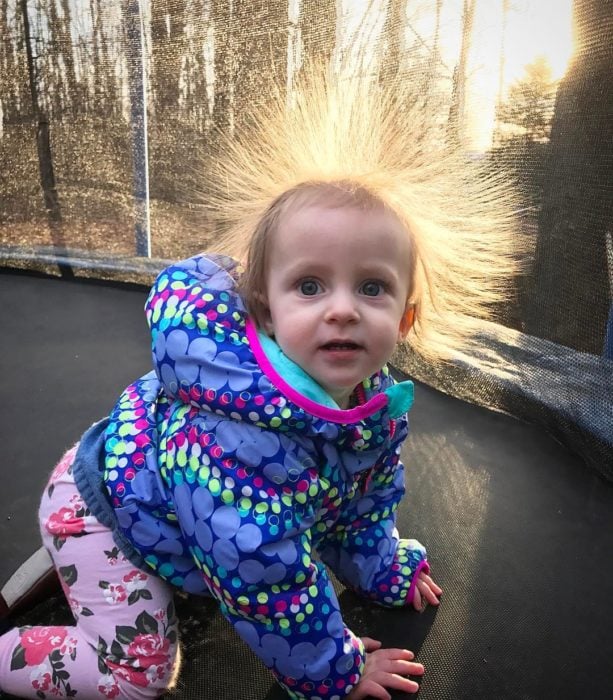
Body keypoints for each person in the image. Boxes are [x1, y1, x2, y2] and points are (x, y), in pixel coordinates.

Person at [0, 68, 518, 700]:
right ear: (264, 309)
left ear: (405, 317)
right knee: (137, 677)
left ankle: (64, 574)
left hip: (170, 517)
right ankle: (48, 601)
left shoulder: (369, 402)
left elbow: (362, 501)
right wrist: (337, 670)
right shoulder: (234, 439)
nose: (343, 309)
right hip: (104, 520)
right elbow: (259, 573)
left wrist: (383, 570)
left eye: (372, 287)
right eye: (310, 285)